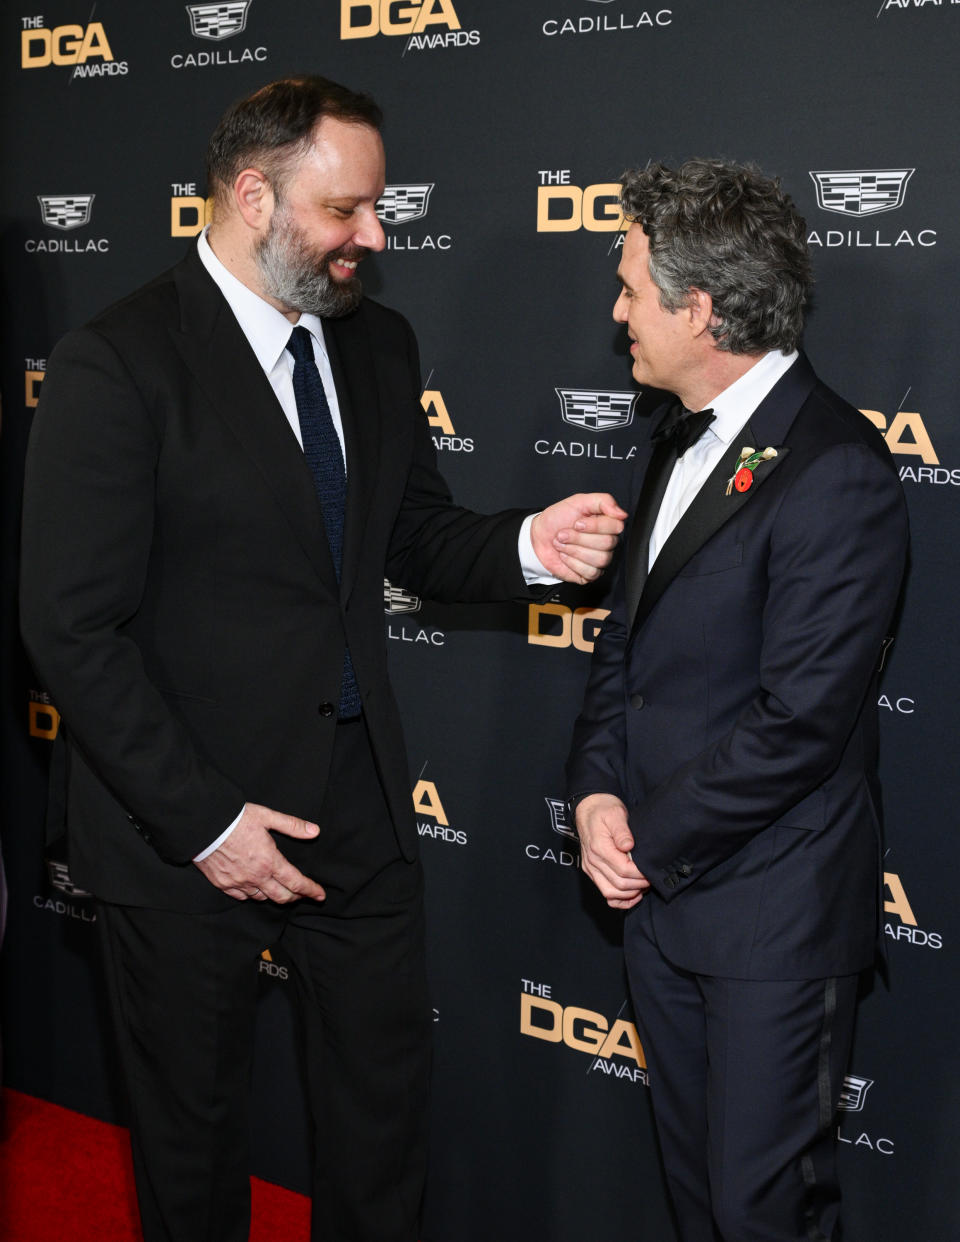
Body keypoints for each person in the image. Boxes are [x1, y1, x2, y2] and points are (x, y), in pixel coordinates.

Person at [19, 76, 626, 1242]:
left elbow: (413, 535)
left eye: (377, 207)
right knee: (191, 1150)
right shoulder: (119, 361)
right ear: (255, 195)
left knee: (381, 1123)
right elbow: (69, 628)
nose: (375, 235)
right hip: (181, 822)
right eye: (347, 210)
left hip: (354, 797)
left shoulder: (378, 346)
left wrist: (530, 547)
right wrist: (206, 824)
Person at [566, 159, 908, 1242]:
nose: (615, 310)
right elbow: (626, 646)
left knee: (765, 1214)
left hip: (772, 918)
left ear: (699, 309)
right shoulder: (678, 438)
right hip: (661, 908)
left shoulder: (837, 470)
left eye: (629, 287)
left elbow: (801, 720)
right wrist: (593, 795)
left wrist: (645, 842)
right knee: (697, 1200)